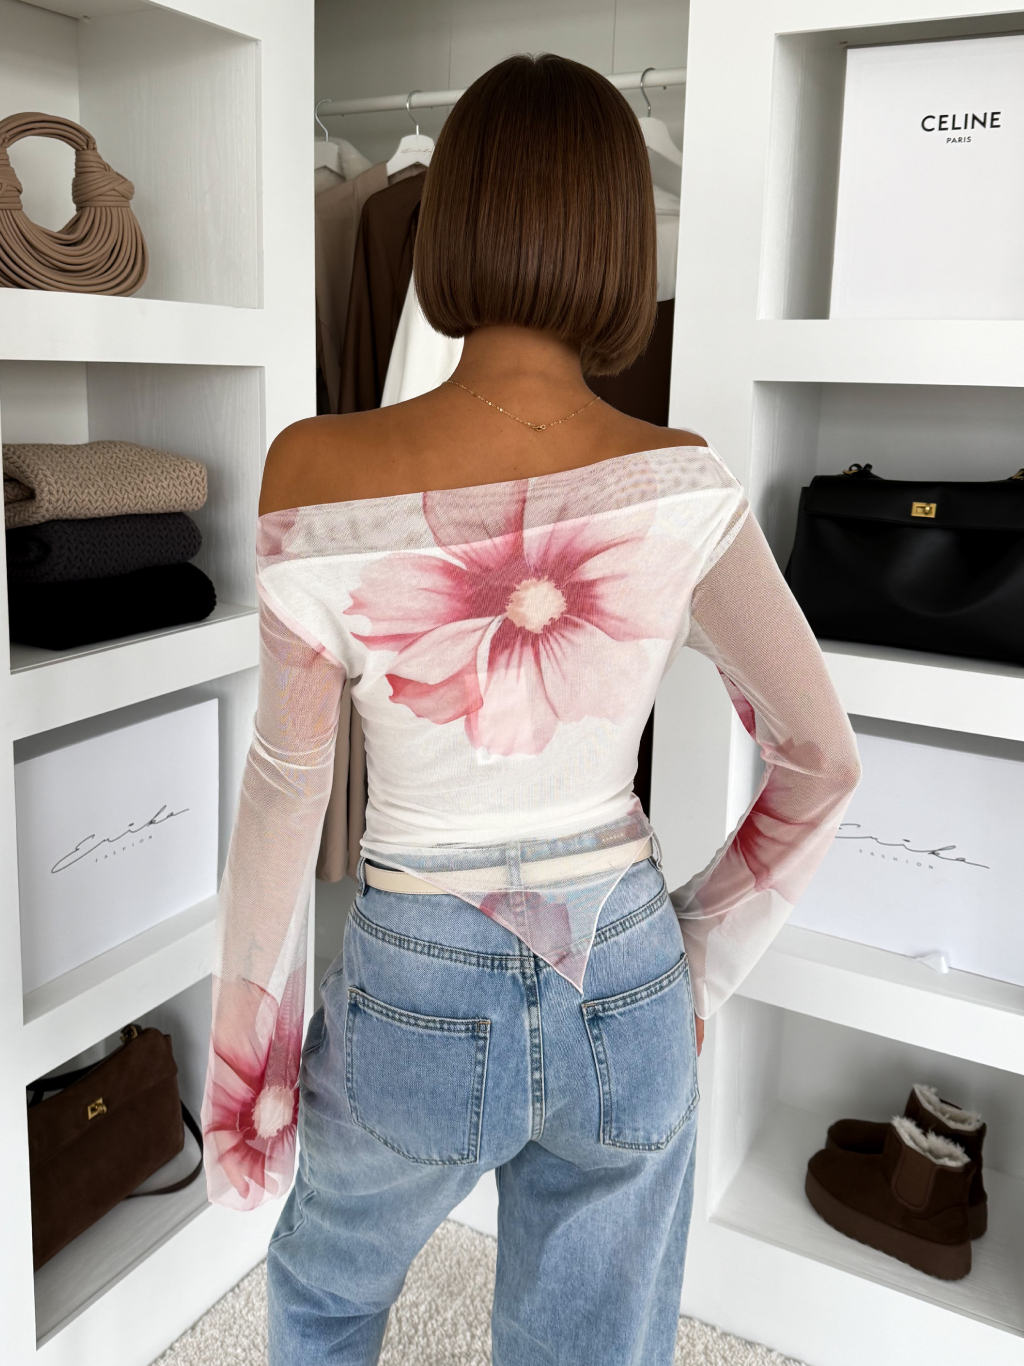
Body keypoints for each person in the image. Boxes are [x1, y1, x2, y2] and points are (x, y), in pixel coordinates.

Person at [201, 53, 861, 1366]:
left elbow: (285, 788)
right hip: (626, 966)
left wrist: (248, 1081)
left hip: (414, 974)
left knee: (325, 1297)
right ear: (622, 240)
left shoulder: (315, 469)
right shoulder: (680, 483)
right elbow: (822, 761)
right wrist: (697, 961)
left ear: (448, 222)